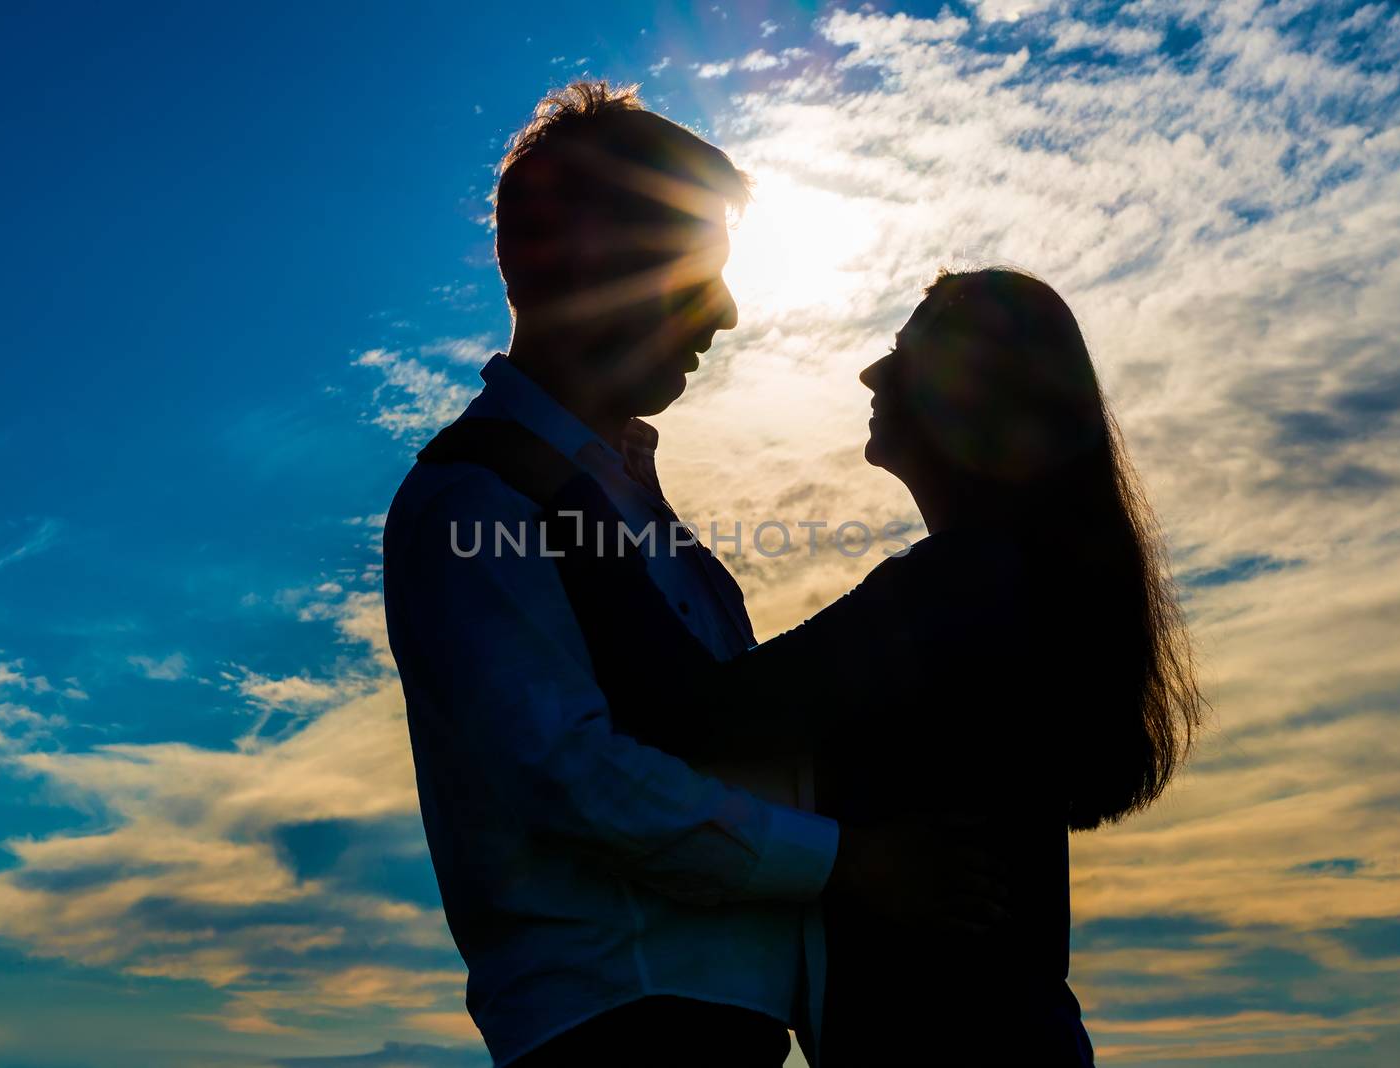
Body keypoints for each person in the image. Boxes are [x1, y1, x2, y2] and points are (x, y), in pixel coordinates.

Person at [382, 82, 998, 1068]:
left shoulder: (618, 501)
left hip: (708, 1026)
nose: (727, 313)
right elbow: (568, 775)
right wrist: (849, 867)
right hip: (623, 1027)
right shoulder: (475, 501)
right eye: (690, 271)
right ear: (571, 258)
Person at [525, 267, 1207, 1065]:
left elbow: (697, 717)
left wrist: (564, 496)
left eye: (905, 356)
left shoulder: (961, 589)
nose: (870, 372)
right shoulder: (1000, 581)